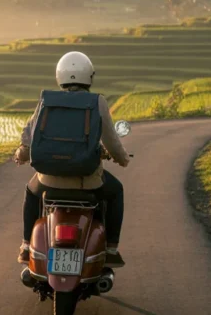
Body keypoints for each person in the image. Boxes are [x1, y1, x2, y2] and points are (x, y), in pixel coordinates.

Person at [14, 51, 131, 267]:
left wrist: (20, 155)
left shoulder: (46, 100)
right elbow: (112, 141)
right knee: (116, 191)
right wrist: (123, 159)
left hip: (48, 180)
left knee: (31, 192)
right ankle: (111, 248)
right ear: (89, 76)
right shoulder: (97, 102)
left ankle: (26, 247)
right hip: (87, 181)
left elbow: (30, 135)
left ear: (60, 76)